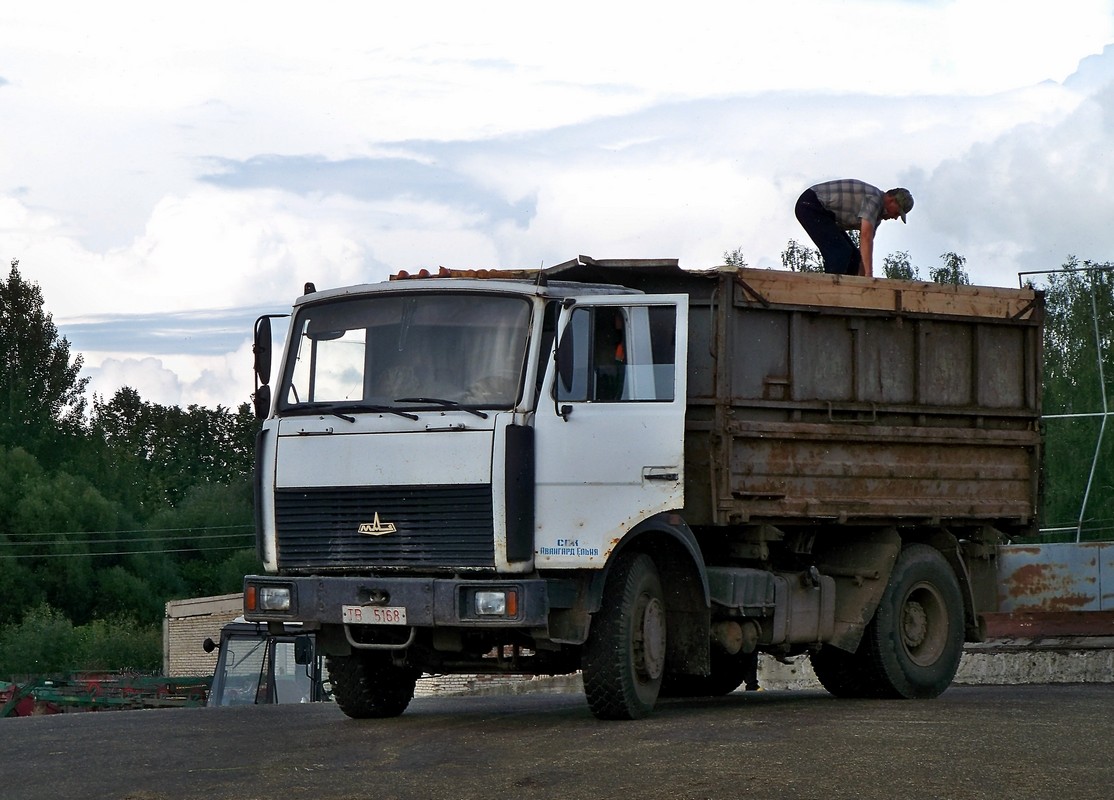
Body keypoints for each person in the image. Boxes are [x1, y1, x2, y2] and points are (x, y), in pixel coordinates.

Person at [795, 180, 913, 277]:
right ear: (891, 200)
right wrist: (869, 275)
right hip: (811, 204)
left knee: (854, 257)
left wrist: (863, 281)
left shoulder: (876, 217)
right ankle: (832, 292)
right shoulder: (876, 199)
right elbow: (865, 237)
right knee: (840, 253)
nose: (895, 217)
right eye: (897, 212)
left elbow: (864, 251)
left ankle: (850, 292)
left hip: (825, 214)